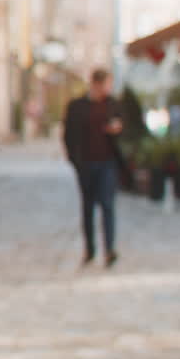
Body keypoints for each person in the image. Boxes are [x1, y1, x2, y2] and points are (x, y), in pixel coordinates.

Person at [63, 68, 124, 267]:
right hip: (86, 163)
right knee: (88, 207)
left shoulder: (113, 104)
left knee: (107, 204)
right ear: (96, 84)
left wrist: (117, 130)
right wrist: (75, 161)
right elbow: (69, 135)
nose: (108, 88)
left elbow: (125, 128)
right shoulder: (77, 106)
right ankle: (90, 249)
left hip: (107, 162)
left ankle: (109, 250)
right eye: (106, 84)